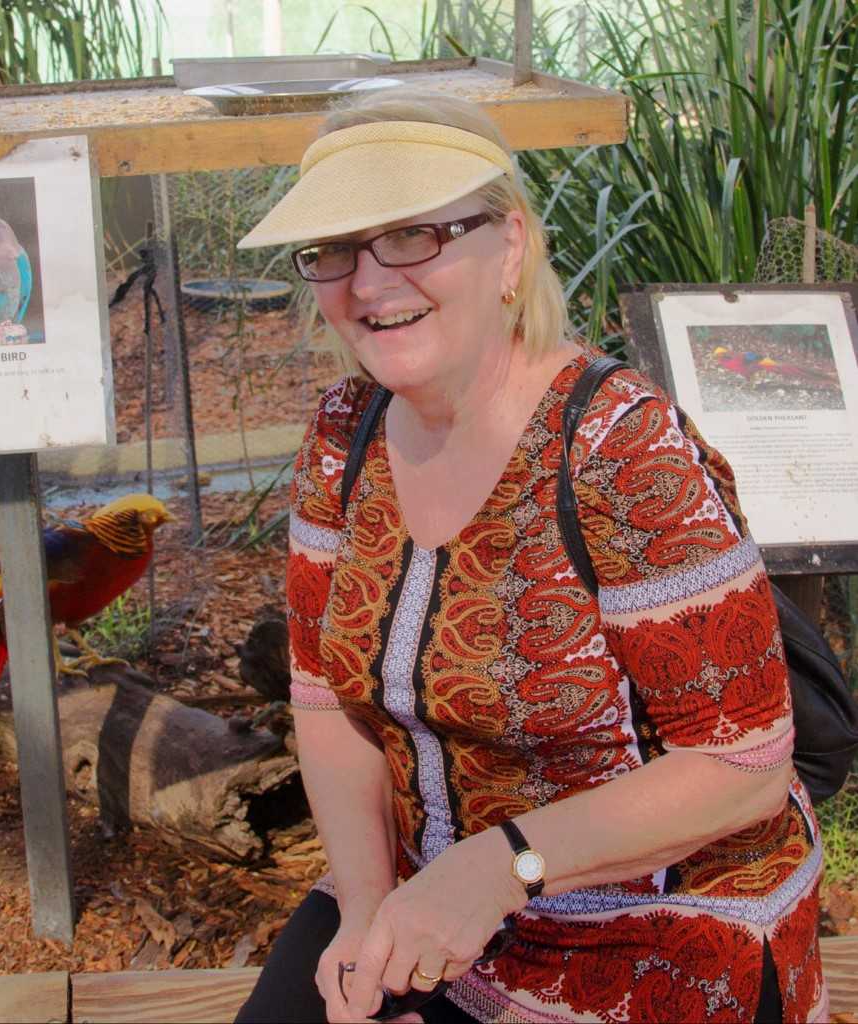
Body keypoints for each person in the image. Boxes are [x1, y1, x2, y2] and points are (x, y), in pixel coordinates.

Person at [233, 90, 826, 1023]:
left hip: (652, 920)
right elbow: (321, 695)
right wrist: (362, 908)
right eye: (335, 249)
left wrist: (503, 865)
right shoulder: (345, 434)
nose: (370, 283)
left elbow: (744, 763)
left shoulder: (619, 449)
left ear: (509, 245)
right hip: (425, 890)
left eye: (412, 235)